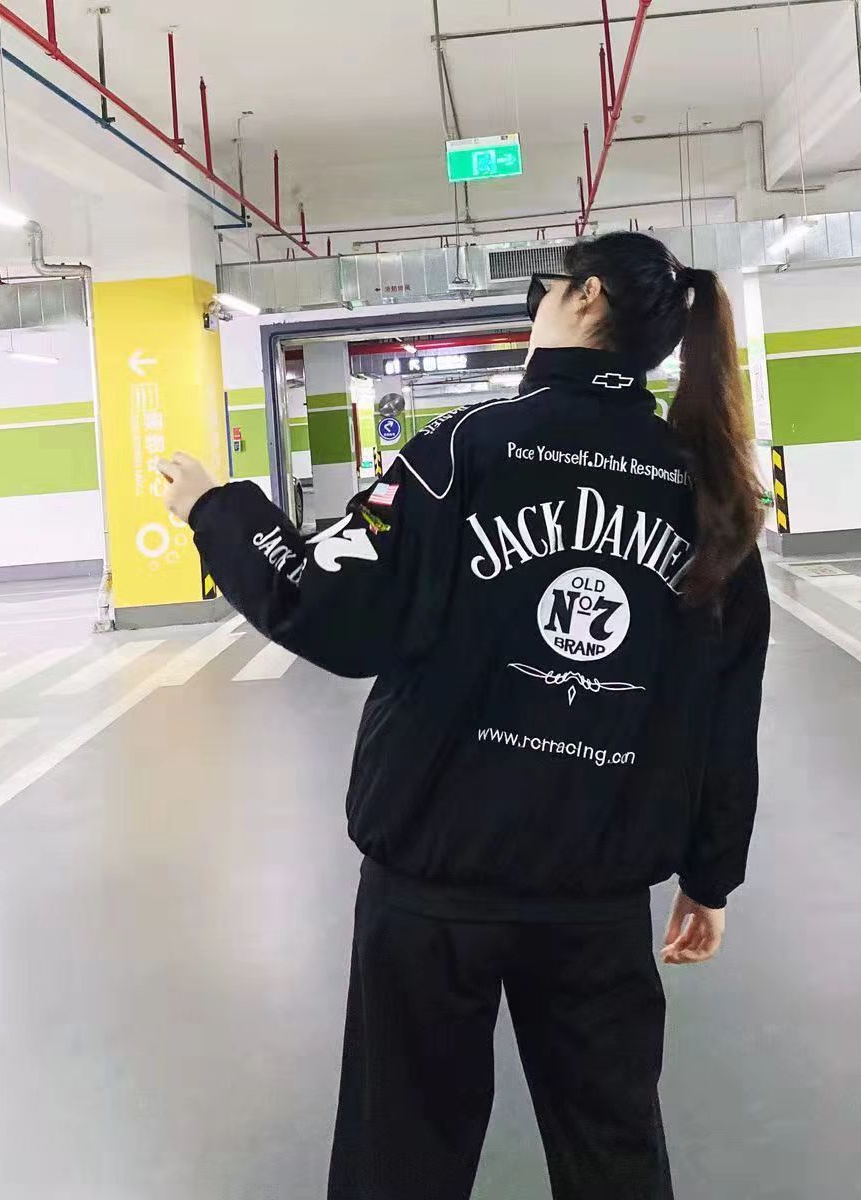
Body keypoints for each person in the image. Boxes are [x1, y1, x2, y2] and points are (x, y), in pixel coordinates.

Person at [160, 230, 769, 1200]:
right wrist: (710, 876)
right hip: (598, 891)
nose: (535, 307)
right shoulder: (708, 492)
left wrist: (217, 509)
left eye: (544, 290)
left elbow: (332, 610)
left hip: (432, 885)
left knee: (401, 1153)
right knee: (613, 1152)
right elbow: (726, 711)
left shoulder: (459, 451)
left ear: (586, 298)